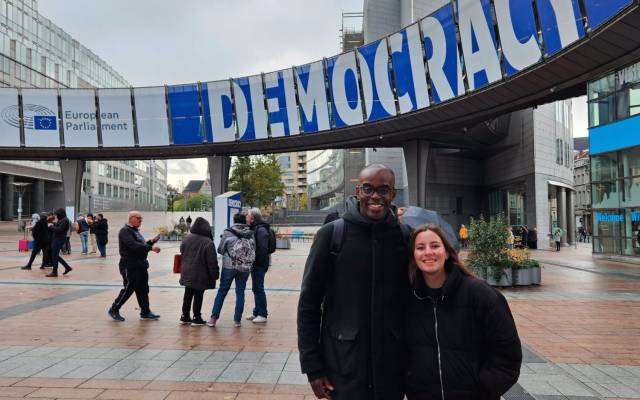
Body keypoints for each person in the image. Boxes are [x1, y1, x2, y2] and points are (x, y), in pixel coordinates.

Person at [298, 164, 410, 400]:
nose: (375, 197)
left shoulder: (405, 236)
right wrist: (312, 367)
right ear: (358, 191)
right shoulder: (331, 235)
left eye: (383, 190)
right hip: (343, 364)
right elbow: (309, 304)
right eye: (368, 189)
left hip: (391, 366)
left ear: (393, 194)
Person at [405, 224, 521, 399]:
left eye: (435, 246)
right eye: (420, 248)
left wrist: (482, 391)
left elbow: (507, 356)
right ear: (414, 256)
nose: (428, 252)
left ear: (447, 252)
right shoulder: (409, 299)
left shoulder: (481, 295)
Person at [108, 211, 161, 322]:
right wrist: (151, 248)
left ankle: (145, 311)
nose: (141, 220)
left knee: (143, 289)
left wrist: (151, 242)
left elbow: (141, 245)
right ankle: (114, 309)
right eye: (138, 218)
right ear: (131, 218)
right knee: (129, 288)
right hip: (129, 264)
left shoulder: (135, 231)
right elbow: (133, 246)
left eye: (141, 219)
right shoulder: (125, 231)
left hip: (140, 264)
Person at [209, 212, 254, 327]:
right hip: (245, 267)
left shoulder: (228, 232)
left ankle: (213, 318)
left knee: (222, 291)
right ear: (244, 221)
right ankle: (237, 320)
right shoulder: (250, 233)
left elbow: (220, 250)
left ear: (234, 220)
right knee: (240, 292)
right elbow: (254, 250)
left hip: (229, 266)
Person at [179, 217, 219, 326]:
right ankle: (197, 317)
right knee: (198, 294)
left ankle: (185, 316)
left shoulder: (186, 238)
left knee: (188, 293)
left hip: (187, 271)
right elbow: (212, 261)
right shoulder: (208, 242)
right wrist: (215, 274)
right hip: (201, 274)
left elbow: (182, 251)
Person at [245, 208, 272, 324]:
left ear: (252, 218)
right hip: (257, 263)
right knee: (256, 288)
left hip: (259, 263)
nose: (246, 217)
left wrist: (254, 259)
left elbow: (263, 248)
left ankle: (262, 314)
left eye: (248, 216)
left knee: (259, 288)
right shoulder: (257, 228)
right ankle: (257, 311)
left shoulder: (260, 230)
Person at [46, 208, 72, 277]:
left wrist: (51, 226)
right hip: (57, 239)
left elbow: (59, 230)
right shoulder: (62, 219)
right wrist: (53, 224)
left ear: (61, 214)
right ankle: (67, 267)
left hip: (59, 239)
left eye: (57, 215)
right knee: (55, 255)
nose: (57, 216)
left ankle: (55, 272)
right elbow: (57, 226)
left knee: (54, 256)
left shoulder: (65, 220)